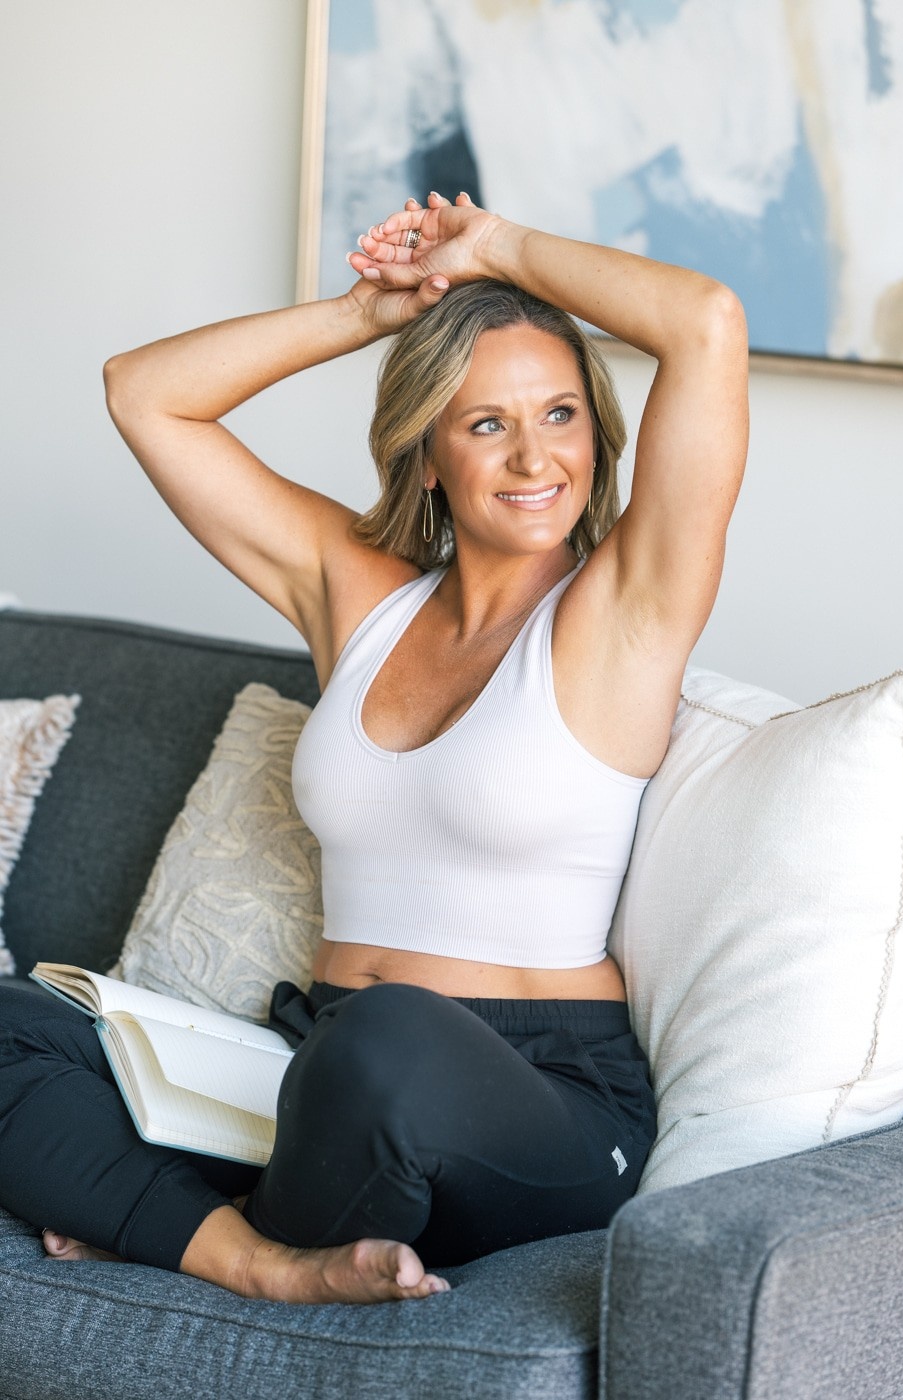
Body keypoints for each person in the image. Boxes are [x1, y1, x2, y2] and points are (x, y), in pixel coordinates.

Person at [0, 193, 748, 1305]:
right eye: (485, 424)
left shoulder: (625, 612)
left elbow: (706, 323)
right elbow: (144, 393)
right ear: (428, 454)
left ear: (597, 435)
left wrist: (494, 248)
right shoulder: (364, 599)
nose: (534, 455)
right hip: (324, 1059)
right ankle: (255, 1258)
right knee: (18, 1020)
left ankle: (167, 1217)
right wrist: (366, 314)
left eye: (560, 415)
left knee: (387, 1040)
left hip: (541, 1093)